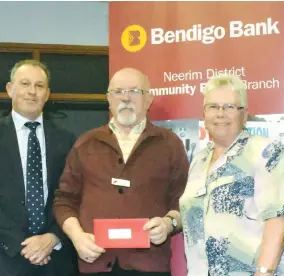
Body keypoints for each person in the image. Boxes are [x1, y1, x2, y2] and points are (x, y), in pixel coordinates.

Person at [53, 68, 189, 275]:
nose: (126, 98)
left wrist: (169, 223)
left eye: (135, 91)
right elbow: (64, 200)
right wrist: (77, 237)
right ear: (108, 98)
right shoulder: (85, 144)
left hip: (150, 265)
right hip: (96, 263)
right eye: (118, 91)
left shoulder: (169, 144)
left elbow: (184, 200)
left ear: (149, 99)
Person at [179, 74, 284, 276]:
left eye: (230, 107)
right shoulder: (198, 161)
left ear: (245, 114)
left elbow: (279, 218)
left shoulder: (266, 152)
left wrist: (264, 271)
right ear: (204, 113)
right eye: (213, 107)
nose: (220, 113)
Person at [0, 59, 77, 276]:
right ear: (9, 89)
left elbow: (75, 195)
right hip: (6, 257)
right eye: (25, 84)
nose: (32, 92)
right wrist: (20, 246)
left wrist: (53, 238)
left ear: (48, 93)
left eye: (39, 86)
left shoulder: (68, 140)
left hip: (56, 257)